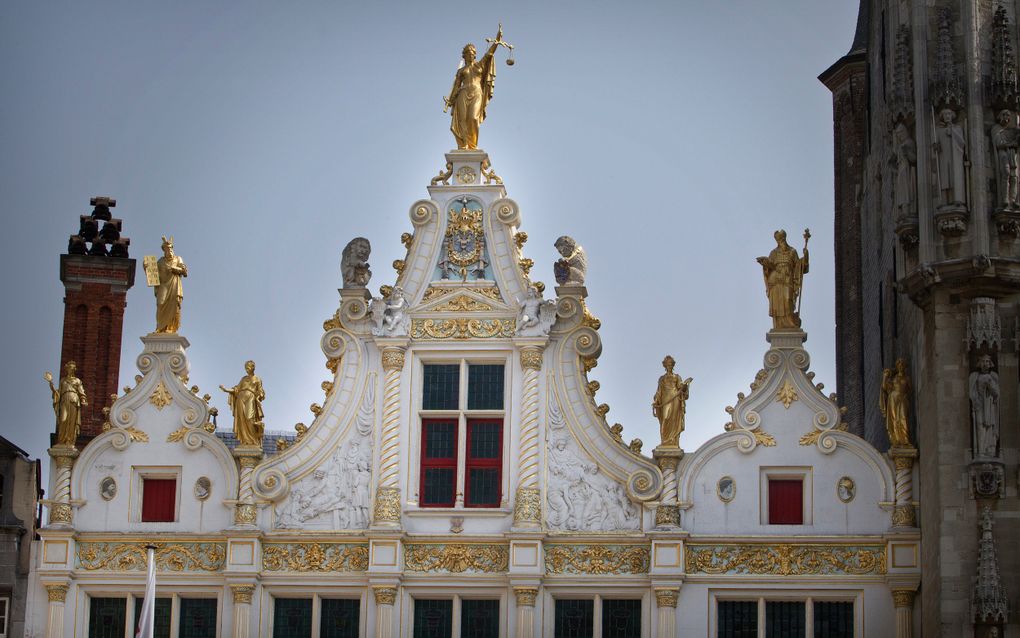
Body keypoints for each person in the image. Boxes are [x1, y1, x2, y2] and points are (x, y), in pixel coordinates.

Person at [445, 27, 503, 150]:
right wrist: (451, 100)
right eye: (468, 53)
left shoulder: (479, 65)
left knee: (472, 117)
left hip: (476, 92)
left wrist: (497, 41)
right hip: (463, 93)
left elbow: (489, 54)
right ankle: (465, 143)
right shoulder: (461, 70)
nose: (471, 55)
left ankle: (473, 144)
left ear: (475, 55)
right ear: (464, 55)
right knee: (462, 119)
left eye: (473, 53)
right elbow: (456, 86)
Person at [757, 230, 808, 329]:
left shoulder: (792, 251)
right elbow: (770, 266)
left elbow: (799, 265)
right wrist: (765, 264)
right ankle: (778, 325)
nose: (781, 241)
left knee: (788, 299)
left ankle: (790, 323)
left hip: (787, 280)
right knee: (777, 304)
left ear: (785, 238)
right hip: (775, 281)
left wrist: (805, 257)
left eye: (782, 239)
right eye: (779, 240)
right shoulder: (773, 253)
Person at [220, 360, 266, 447]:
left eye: (248, 367)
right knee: (242, 419)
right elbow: (236, 389)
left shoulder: (257, 379)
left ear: (253, 367)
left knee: (249, 418)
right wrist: (226, 389)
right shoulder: (243, 379)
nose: (247, 369)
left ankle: (254, 441)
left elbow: (261, 391)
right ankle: (245, 441)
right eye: (246, 368)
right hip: (240, 399)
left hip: (250, 398)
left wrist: (259, 396)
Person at [46, 361, 88, 448]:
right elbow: (58, 393)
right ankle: (61, 441)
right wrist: (51, 384)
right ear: (67, 369)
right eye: (69, 368)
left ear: (74, 370)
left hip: (74, 400)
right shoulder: (63, 380)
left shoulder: (77, 381)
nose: (70, 370)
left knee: (72, 421)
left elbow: (81, 392)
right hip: (64, 400)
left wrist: (83, 400)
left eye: (72, 368)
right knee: (63, 420)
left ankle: (70, 441)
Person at [652, 356, 691, 447]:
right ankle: (665, 441)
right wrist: (656, 400)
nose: (669, 366)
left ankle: (673, 441)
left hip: (675, 398)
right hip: (665, 399)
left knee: (674, 419)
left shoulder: (677, 377)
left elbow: (681, 387)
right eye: (667, 364)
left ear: (673, 365)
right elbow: (659, 391)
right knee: (665, 418)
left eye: (671, 364)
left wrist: (685, 386)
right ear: (665, 366)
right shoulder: (662, 378)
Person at [154, 236, 188, 333]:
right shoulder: (160, 261)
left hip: (174, 285)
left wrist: (175, 269)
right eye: (167, 249)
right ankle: (160, 327)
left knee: (174, 305)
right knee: (160, 304)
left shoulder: (178, 259)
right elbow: (153, 275)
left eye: (170, 248)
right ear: (164, 250)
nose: (169, 250)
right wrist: (146, 267)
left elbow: (185, 272)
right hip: (163, 285)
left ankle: (170, 328)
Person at [880, 359, 913, 448]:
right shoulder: (894, 378)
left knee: (903, 417)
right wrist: (885, 377)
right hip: (893, 398)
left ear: (904, 367)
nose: (900, 366)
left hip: (903, 399)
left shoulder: (906, 378)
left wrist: (906, 396)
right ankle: (896, 440)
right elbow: (884, 387)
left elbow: (910, 390)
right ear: (897, 367)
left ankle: (905, 440)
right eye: (899, 365)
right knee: (894, 418)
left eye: (902, 365)